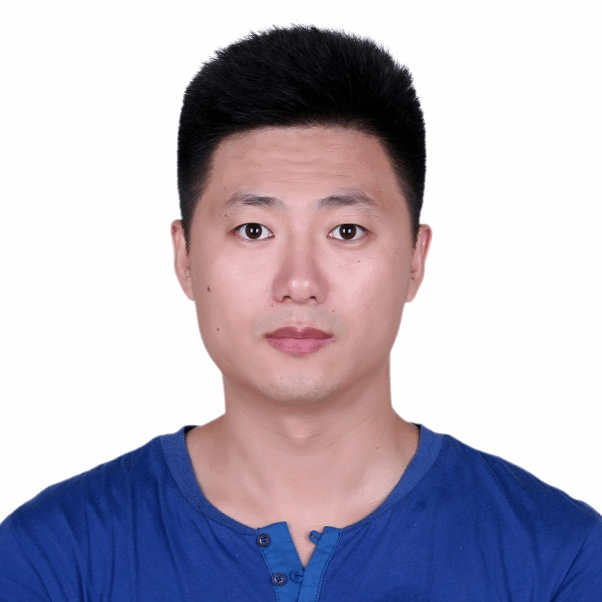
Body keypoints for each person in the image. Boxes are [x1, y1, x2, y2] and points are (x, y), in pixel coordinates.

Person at [1, 25, 600, 601]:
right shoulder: (51, 560)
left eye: (346, 230)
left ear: (415, 260)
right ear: (185, 258)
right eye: (253, 229)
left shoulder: (561, 561)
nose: (299, 284)